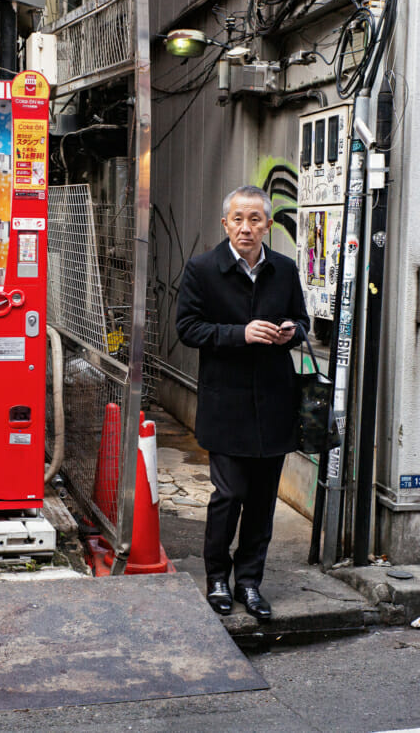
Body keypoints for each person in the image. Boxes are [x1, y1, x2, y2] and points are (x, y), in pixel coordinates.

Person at [175, 185, 309, 620]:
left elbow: (303, 321)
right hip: (226, 402)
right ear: (225, 224)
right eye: (238, 219)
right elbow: (188, 328)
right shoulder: (202, 269)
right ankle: (217, 577)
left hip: (274, 401)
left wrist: (292, 329)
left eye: (255, 219)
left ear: (268, 225)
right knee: (228, 495)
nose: (246, 228)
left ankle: (249, 583)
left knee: (263, 501)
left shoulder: (285, 270)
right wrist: (240, 333)